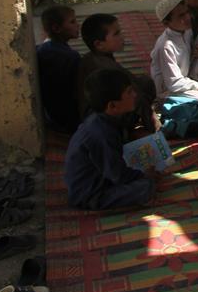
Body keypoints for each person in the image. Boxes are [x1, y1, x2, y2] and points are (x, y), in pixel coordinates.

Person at [64, 69, 156, 210]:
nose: (135, 95)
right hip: (90, 194)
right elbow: (117, 174)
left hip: (101, 175)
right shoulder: (101, 134)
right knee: (146, 187)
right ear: (112, 106)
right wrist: (143, 175)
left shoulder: (104, 120)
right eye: (129, 92)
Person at [76, 13, 158, 134]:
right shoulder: (105, 66)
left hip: (96, 115)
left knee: (145, 82)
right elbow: (137, 95)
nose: (122, 36)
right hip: (101, 121)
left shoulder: (95, 57)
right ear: (99, 44)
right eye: (116, 34)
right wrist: (154, 125)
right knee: (138, 94)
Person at [36, 5, 81, 134]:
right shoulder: (69, 57)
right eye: (72, 22)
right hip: (65, 117)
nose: (77, 25)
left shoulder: (44, 47)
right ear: (57, 28)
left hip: (52, 113)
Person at [150, 0, 198, 101]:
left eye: (187, 12)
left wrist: (195, 51)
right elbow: (174, 83)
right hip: (169, 90)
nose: (188, 17)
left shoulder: (187, 31)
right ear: (166, 23)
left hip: (186, 77)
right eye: (181, 16)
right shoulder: (165, 45)